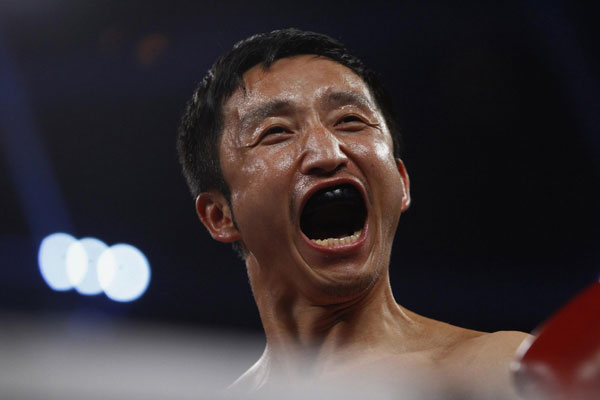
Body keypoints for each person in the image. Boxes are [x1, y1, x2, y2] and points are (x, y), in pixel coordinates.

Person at [177, 28, 531, 399]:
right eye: (276, 132)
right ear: (220, 216)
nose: (327, 153)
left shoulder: (497, 370)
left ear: (401, 182)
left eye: (350, 120)